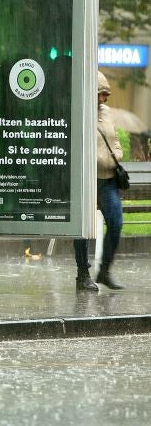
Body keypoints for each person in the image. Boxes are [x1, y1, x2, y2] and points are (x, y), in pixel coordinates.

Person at [91, 71, 125, 289]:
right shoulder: (80, 112)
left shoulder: (107, 112)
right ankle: (82, 272)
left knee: (116, 223)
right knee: (82, 229)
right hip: (89, 179)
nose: (104, 99)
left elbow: (116, 138)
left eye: (106, 95)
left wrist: (117, 154)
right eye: (101, 94)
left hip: (109, 179)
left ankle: (104, 270)